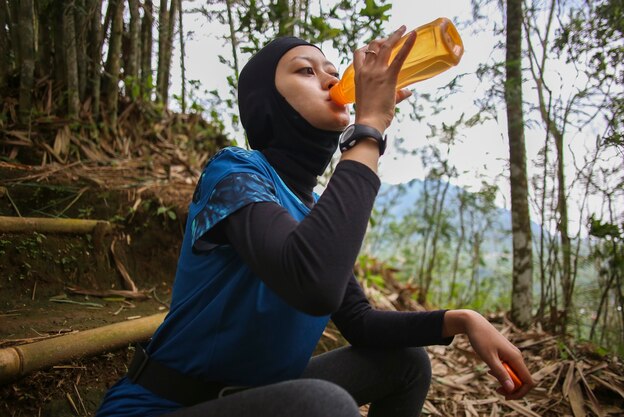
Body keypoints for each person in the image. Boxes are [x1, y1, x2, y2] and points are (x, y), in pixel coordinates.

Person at [96, 26, 534, 417]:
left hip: (259, 399)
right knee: (323, 406)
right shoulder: (234, 173)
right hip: (164, 405)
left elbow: (359, 320)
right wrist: (369, 129)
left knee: (405, 362)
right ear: (268, 104)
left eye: (331, 69)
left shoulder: (312, 210)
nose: (331, 78)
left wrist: (461, 320)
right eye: (306, 71)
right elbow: (312, 282)